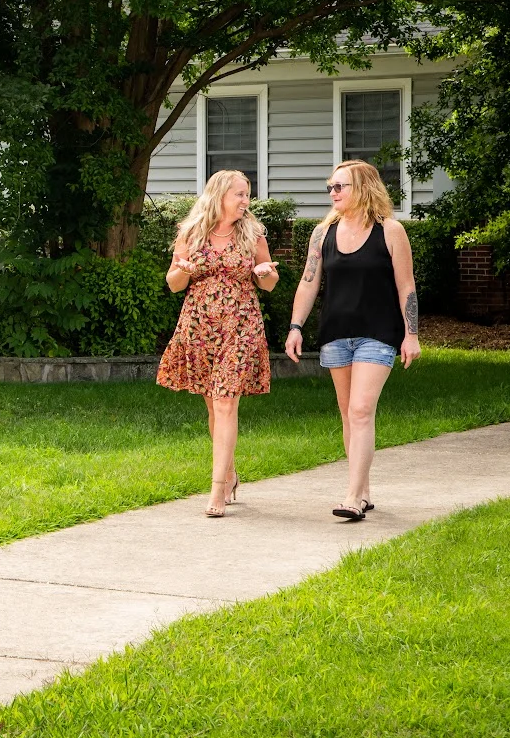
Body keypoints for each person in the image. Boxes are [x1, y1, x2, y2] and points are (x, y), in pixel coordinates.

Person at [285, 159, 421, 521]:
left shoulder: (390, 231)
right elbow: (308, 283)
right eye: (329, 187)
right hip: (336, 333)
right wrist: (296, 327)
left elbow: (406, 286)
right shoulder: (322, 233)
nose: (332, 193)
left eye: (339, 186)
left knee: (361, 410)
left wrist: (411, 335)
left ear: (362, 188)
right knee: (349, 415)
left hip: (379, 333)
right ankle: (363, 489)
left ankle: (352, 497)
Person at [157, 170, 279, 517]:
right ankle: (229, 472)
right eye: (239, 194)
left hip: (240, 326)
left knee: (226, 403)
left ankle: (217, 490)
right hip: (199, 327)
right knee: (213, 406)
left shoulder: (252, 234)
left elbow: (270, 282)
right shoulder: (192, 233)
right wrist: (184, 269)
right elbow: (174, 284)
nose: (245, 201)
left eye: (247, 194)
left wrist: (265, 273)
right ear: (219, 195)